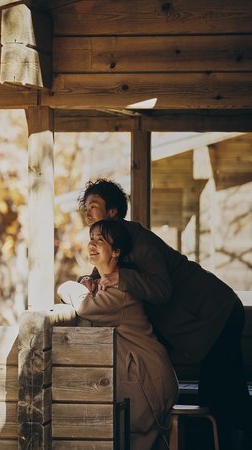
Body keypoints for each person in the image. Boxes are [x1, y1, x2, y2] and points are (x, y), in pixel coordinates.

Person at [77, 178, 250, 450]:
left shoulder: (137, 238)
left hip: (217, 311)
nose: (87, 213)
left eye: (94, 206)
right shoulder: (110, 242)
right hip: (205, 320)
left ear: (113, 212)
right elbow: (102, 276)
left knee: (221, 399)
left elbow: (161, 289)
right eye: (85, 208)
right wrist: (87, 280)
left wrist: (122, 277)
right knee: (226, 397)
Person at [58, 219, 179, 450]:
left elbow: (84, 306)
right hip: (144, 374)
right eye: (91, 239)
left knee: (134, 440)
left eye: (100, 240)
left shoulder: (119, 291)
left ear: (116, 252)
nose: (92, 244)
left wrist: (71, 286)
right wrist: (87, 281)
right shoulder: (107, 283)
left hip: (147, 378)